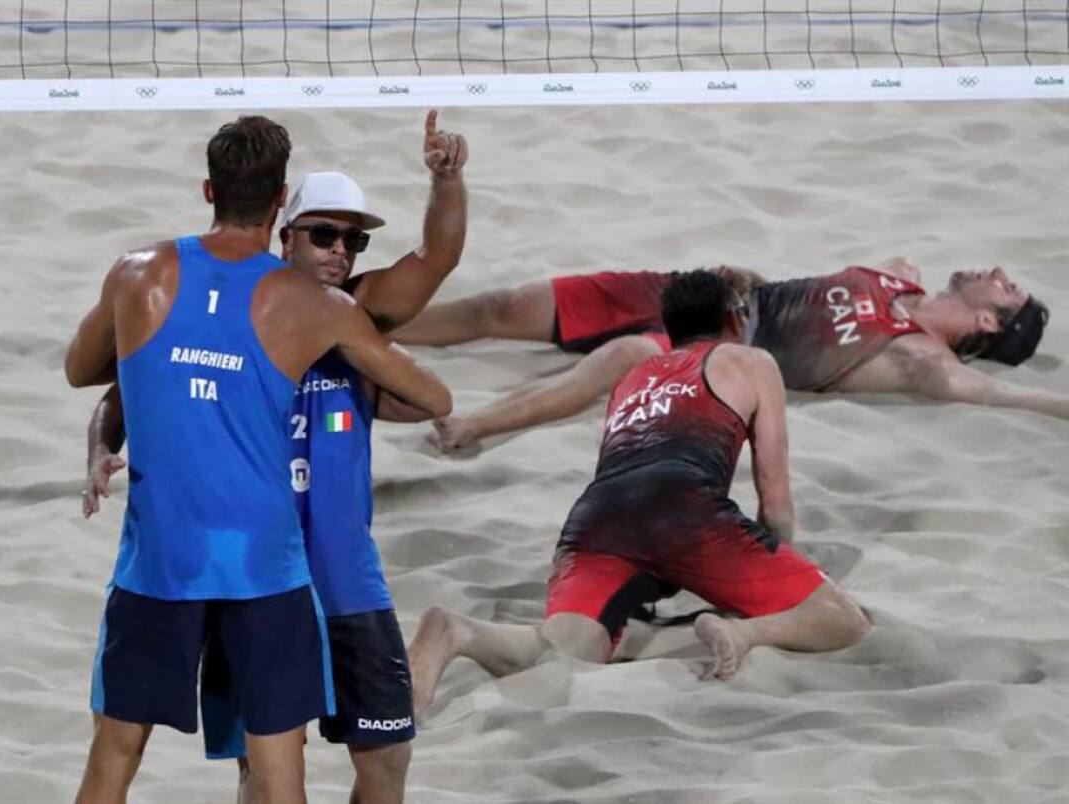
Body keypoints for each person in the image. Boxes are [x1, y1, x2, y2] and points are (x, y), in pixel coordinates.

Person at [81, 111, 468, 804]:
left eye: (353, 238)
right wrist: (101, 445)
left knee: (380, 759)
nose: (341, 249)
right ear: (283, 224)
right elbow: (117, 391)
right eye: (324, 232)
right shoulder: (290, 308)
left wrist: (447, 183)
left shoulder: (349, 309)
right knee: (261, 769)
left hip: (310, 574)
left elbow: (434, 263)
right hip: (261, 575)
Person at [407, 270, 871, 713]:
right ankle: (746, 635)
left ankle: (460, 631)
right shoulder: (750, 360)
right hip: (684, 505)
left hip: (596, 515)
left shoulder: (634, 376)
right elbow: (774, 498)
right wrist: (780, 569)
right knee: (842, 620)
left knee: (566, 649)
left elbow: (621, 461)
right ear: (735, 319)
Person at [393, 259, 1058, 452]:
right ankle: (364, 319)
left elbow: (999, 396)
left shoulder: (923, 360)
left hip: (721, 339)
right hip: (709, 290)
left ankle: (476, 426)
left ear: (983, 322)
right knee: (504, 306)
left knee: (623, 355)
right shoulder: (899, 276)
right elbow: (809, 298)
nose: (996, 269)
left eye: (1007, 287)